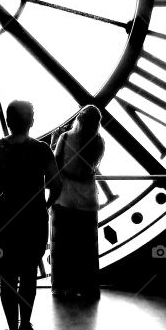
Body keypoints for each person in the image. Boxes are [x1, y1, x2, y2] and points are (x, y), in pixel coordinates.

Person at [0, 101, 61, 330]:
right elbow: (56, 185)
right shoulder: (42, 150)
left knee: (8, 279)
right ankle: (24, 324)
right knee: (29, 276)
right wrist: (45, 205)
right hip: (34, 221)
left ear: (9, 120)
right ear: (30, 121)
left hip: (5, 221)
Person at [51, 105, 104, 300]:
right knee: (86, 248)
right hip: (88, 199)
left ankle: (64, 287)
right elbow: (92, 167)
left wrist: (54, 141)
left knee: (63, 247)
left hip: (65, 198)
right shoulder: (99, 142)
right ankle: (86, 286)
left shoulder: (65, 139)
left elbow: (55, 164)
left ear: (78, 120)